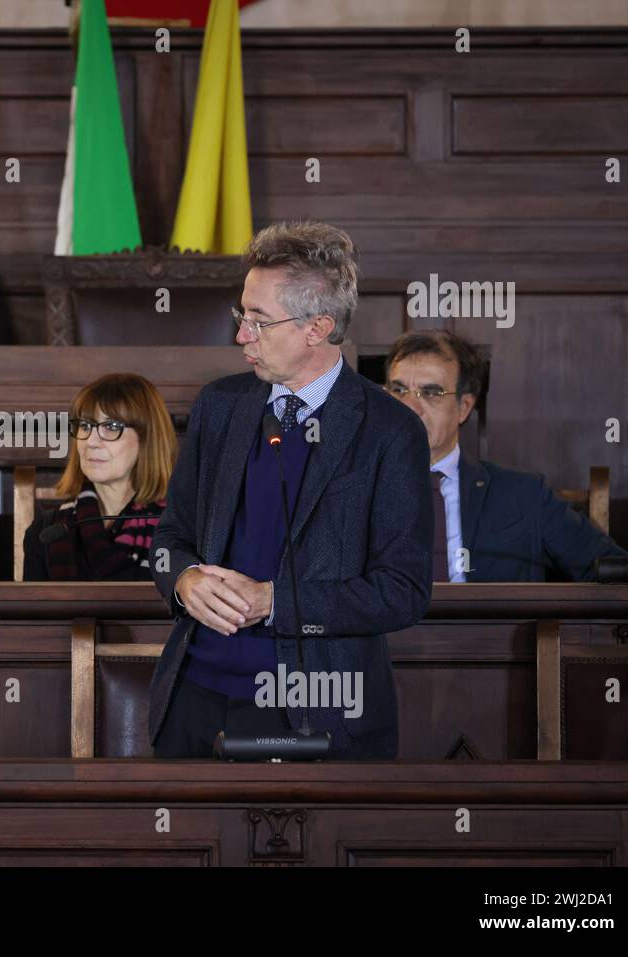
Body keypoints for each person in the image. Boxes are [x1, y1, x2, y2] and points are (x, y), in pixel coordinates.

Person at [149, 221, 433, 760]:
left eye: (258, 321)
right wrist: (183, 579)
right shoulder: (220, 406)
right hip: (194, 696)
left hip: (313, 704)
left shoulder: (390, 431)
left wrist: (275, 602)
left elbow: (403, 590)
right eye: (241, 317)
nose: (240, 336)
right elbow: (170, 537)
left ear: (317, 328)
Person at [385, 329, 628, 582]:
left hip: (493, 622)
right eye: (398, 390)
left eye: (431, 393)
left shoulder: (523, 495)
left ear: (464, 408)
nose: (409, 407)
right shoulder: (354, 488)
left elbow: (614, 572)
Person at [23, 373, 176, 581]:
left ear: (147, 437)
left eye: (111, 427)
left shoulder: (179, 528)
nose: (91, 442)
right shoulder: (48, 531)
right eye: (85, 426)